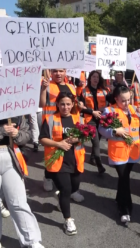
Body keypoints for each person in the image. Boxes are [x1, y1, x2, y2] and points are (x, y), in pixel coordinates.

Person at [98, 85, 140, 223]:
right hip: (118, 153)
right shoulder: (109, 111)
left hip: (133, 152)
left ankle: (118, 198)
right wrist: (115, 131)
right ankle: (125, 209)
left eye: (129, 99)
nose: (127, 103)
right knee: (124, 179)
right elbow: (102, 129)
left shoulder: (135, 109)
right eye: (123, 100)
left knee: (124, 178)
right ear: (116, 99)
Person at [39, 92, 86, 235]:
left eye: (68, 104)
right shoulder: (50, 119)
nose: (65, 107)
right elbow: (43, 139)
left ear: (73, 105)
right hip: (58, 161)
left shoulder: (79, 119)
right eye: (62, 104)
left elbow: (86, 138)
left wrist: (78, 139)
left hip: (75, 160)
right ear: (58, 105)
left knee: (73, 188)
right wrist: (58, 144)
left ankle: (61, 198)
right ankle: (68, 220)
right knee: (66, 190)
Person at [0, 116, 44, 248]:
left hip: (11, 157)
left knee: (18, 202)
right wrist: (1, 131)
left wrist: (17, 134)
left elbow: (27, 135)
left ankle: (31, 240)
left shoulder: (15, 112)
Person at [40, 69, 77, 192]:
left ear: (65, 72)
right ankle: (48, 177)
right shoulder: (46, 84)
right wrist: (43, 89)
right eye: (55, 71)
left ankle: (68, 187)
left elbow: (74, 106)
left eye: (61, 71)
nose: (58, 73)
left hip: (66, 122)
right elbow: (41, 104)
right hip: (51, 124)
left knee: (66, 154)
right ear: (50, 72)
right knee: (51, 152)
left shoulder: (71, 87)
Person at [79, 71, 108, 175]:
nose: (96, 79)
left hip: (101, 119)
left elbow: (109, 103)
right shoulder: (83, 91)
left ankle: (92, 158)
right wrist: (92, 112)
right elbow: (81, 108)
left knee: (97, 141)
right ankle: (100, 166)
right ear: (90, 79)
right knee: (95, 143)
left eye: (97, 77)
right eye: (93, 77)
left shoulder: (104, 91)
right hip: (90, 120)